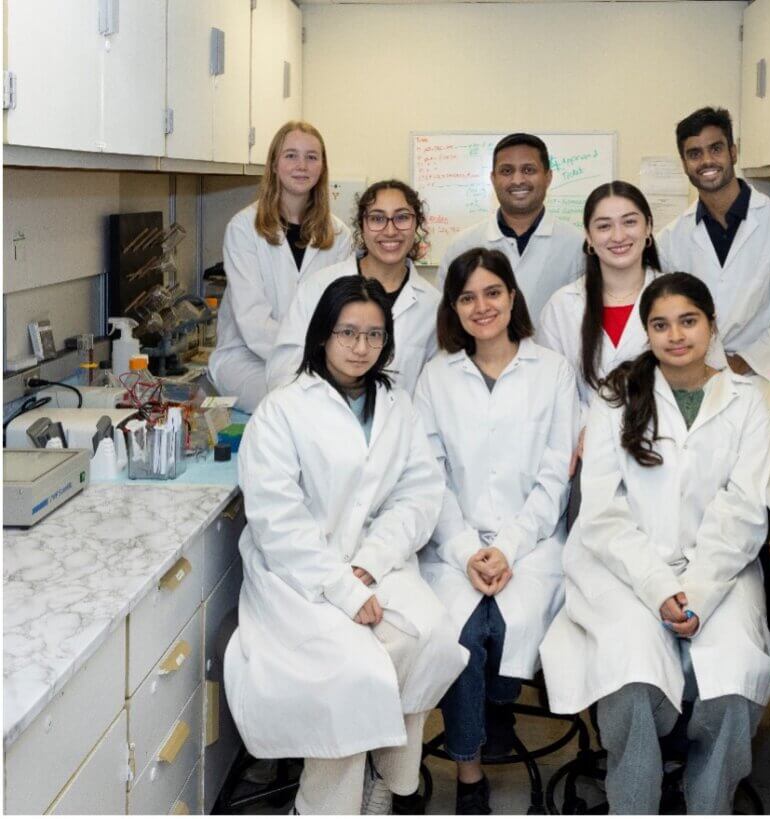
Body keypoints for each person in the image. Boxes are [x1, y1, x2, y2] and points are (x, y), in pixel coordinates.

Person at [540, 272, 770, 815]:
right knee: (632, 678)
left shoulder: (748, 403)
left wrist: (696, 589)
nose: (675, 335)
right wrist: (657, 586)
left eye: (688, 321)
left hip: (718, 570)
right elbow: (602, 513)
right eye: (660, 324)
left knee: (732, 679)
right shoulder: (617, 398)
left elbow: (743, 511)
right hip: (621, 566)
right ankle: (634, 803)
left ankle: (708, 802)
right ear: (647, 333)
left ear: (711, 325)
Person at [223, 276, 467, 815]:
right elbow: (277, 519)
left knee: (432, 637)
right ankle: (322, 805)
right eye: (348, 333)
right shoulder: (283, 409)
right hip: (299, 577)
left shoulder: (397, 404)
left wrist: (370, 563)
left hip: (375, 564)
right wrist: (341, 585)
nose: (361, 348)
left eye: (374, 335)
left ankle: (385, 779)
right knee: (356, 674)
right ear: (321, 336)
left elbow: (420, 494)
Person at [415, 248, 577, 814]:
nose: (481, 307)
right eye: (466, 297)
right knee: (464, 630)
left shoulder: (553, 370)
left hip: (530, 542)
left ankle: (493, 710)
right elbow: (427, 476)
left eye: (492, 292)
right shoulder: (435, 376)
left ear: (512, 296)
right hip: (451, 540)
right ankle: (469, 770)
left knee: (504, 624)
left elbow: (556, 475)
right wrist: (465, 549)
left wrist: (505, 548)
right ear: (453, 308)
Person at [656, 106, 770, 409]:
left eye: (715, 149)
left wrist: (741, 362)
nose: (706, 161)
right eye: (694, 154)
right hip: (689, 393)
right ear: (684, 164)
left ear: (733, 151)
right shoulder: (670, 239)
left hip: (753, 392)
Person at [209, 120, 352, 413]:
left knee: (334, 402)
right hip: (247, 361)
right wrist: (307, 359)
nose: (302, 165)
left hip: (317, 363)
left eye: (312, 157)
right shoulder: (243, 229)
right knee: (296, 403)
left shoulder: (340, 237)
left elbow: (339, 313)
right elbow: (253, 321)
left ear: (322, 167)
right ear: (274, 164)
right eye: (291, 155)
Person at [267, 179, 439, 395]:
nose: (390, 230)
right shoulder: (319, 286)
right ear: (362, 226)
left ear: (417, 224)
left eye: (402, 217)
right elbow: (284, 369)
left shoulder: (433, 306)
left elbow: (435, 389)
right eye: (377, 219)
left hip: (397, 426)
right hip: (320, 421)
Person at [537, 180, 662, 473]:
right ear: (589, 237)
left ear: (648, 228)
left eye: (629, 222)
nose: (618, 236)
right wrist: (591, 427)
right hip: (589, 455)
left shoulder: (677, 298)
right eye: (604, 226)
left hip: (664, 453)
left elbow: (703, 381)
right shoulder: (563, 306)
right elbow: (549, 393)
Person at [436, 133, 585, 321]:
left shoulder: (577, 245)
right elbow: (447, 316)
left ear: (548, 177)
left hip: (557, 351)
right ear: (493, 179)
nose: (517, 180)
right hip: (477, 351)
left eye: (529, 170)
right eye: (506, 171)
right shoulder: (462, 245)